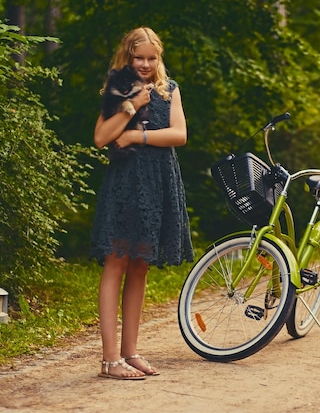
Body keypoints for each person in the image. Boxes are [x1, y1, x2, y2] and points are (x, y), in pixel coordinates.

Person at [90, 27, 194, 380]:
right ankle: (109, 360)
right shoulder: (118, 89)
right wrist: (133, 105)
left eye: (152, 57)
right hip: (125, 186)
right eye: (139, 57)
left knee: (140, 266)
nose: (146, 64)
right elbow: (102, 138)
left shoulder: (170, 90)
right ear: (128, 56)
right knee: (116, 263)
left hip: (158, 184)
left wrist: (136, 134)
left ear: (159, 57)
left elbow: (179, 135)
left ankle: (130, 351)